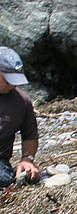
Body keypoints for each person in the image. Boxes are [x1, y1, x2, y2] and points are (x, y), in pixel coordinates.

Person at [0, 46, 39, 187]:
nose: (12, 84)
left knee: (4, 179)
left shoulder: (22, 101)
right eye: (7, 79)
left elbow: (30, 134)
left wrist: (27, 159)